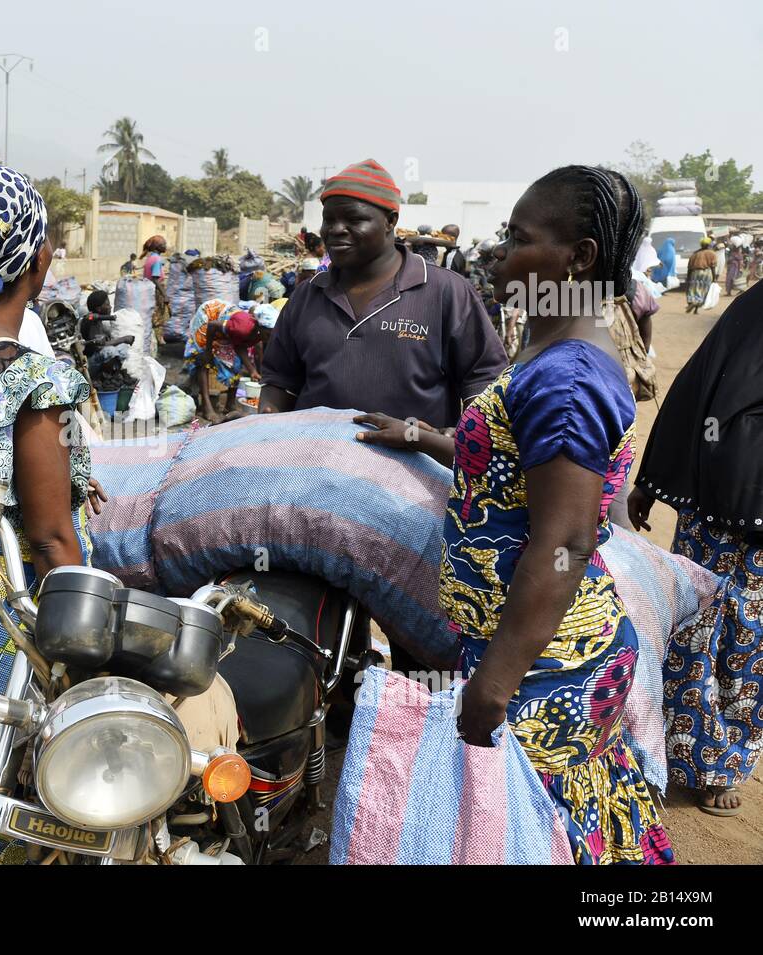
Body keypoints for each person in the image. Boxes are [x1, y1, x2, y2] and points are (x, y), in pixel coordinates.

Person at [0, 152, 233, 862]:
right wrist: (88, 657)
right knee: (17, 765)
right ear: (36, 258)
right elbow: (55, 537)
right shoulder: (30, 381)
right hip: (6, 600)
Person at [356, 165, 674, 864]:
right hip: (537, 646)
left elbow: (563, 539)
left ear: (579, 257)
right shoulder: (551, 351)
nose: (501, 253)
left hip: (545, 663)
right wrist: (422, 436)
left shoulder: (567, 378)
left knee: (542, 832)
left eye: (519, 238)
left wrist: (494, 684)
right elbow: (513, 465)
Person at [628, 282, 763, 817]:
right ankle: (694, 757)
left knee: (750, 640)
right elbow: (694, 392)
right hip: (713, 504)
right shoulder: (751, 310)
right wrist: (654, 482)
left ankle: (725, 761)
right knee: (696, 625)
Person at [259, 159, 506, 431]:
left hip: (413, 467)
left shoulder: (445, 291)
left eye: (354, 219)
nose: (336, 229)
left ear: (390, 221)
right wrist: (261, 428)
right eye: (329, 220)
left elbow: (484, 378)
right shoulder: (308, 295)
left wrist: (469, 437)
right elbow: (279, 383)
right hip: (312, 465)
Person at [183, 300, 262, 423]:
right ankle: (206, 406)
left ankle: (229, 405)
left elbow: (238, 346)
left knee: (234, 362)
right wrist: (208, 351)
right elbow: (212, 325)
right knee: (203, 360)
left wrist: (252, 370)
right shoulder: (243, 328)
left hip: (225, 326)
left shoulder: (258, 333)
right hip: (208, 317)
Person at [140, 234, 170, 344]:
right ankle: (158, 340)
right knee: (159, 314)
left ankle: (153, 338)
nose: (165, 246)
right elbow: (156, 278)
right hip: (155, 290)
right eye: (163, 244)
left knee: (151, 313)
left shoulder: (150, 258)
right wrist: (164, 295)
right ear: (157, 247)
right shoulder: (157, 259)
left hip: (148, 289)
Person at [684, 237, 717, 314]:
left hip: (695, 273)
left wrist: (688, 277)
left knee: (693, 290)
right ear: (709, 245)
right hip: (706, 273)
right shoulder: (712, 253)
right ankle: (696, 309)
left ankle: (692, 303)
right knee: (703, 291)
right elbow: (713, 266)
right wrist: (714, 278)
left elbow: (689, 267)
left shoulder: (695, 254)